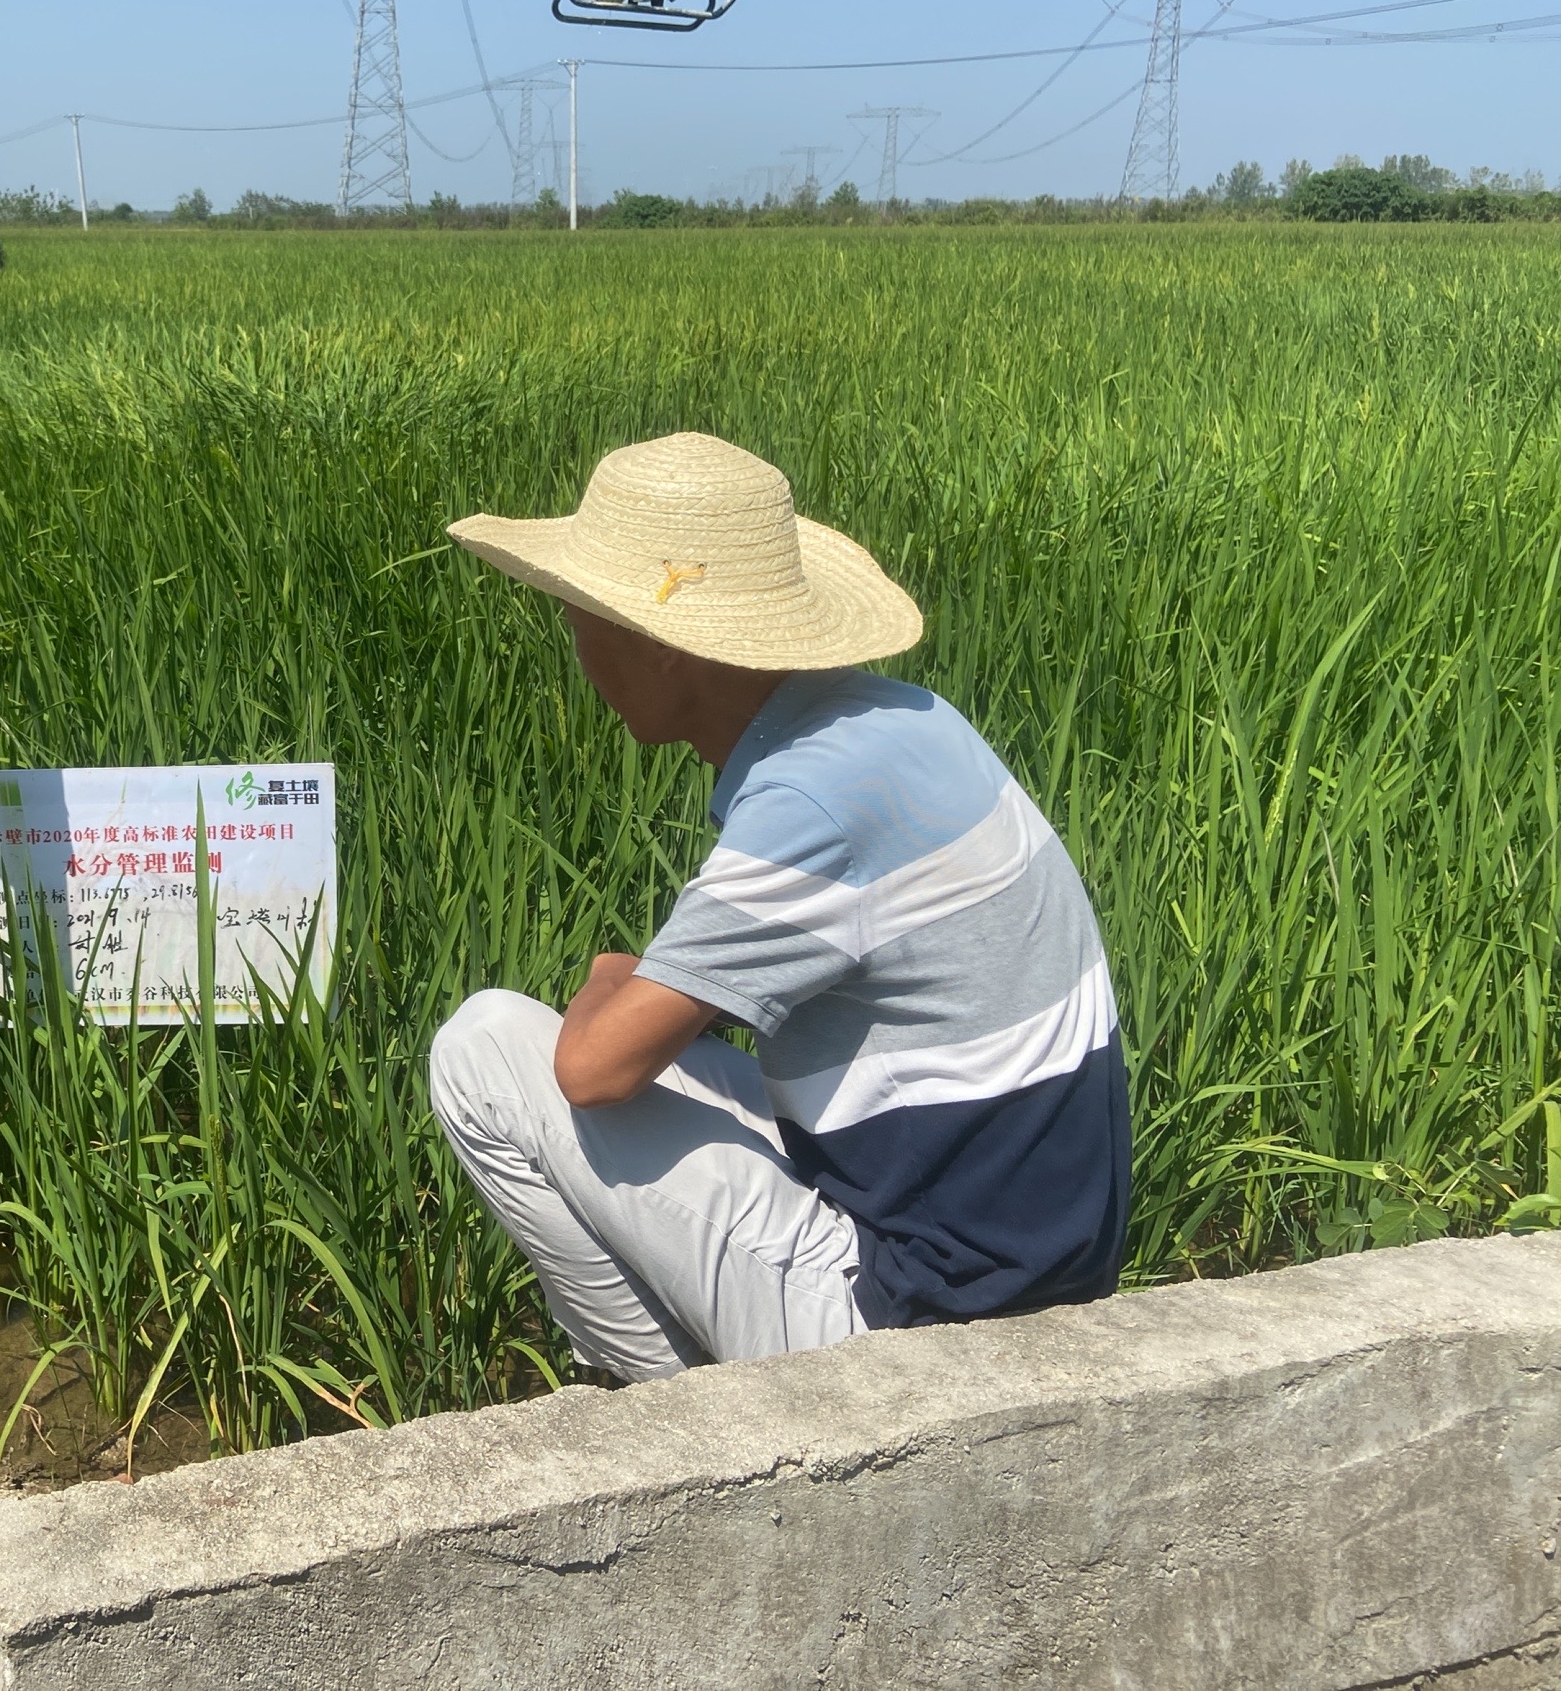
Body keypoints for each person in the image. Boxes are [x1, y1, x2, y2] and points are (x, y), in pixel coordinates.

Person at [428, 432, 1128, 1379]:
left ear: (663, 646)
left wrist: (609, 972)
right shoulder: (902, 723)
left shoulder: (808, 801)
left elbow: (596, 1069)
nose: (575, 640)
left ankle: (662, 1416)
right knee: (692, 1051)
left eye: (584, 615)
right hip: (1032, 1259)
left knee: (483, 1048)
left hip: (933, 1324)